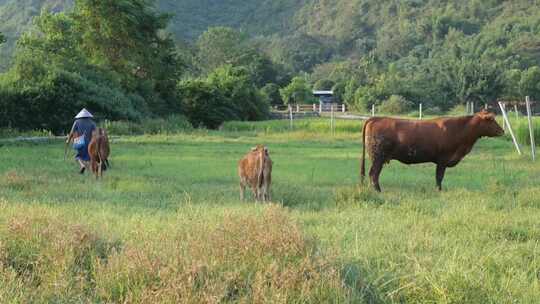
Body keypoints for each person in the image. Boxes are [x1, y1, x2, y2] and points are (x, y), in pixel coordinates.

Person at [67, 108, 96, 174]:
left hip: (80, 141)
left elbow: (72, 132)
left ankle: (82, 165)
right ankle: (93, 170)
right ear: (88, 116)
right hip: (89, 142)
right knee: (89, 157)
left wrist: (68, 140)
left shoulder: (77, 122)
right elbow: (94, 134)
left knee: (78, 156)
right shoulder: (92, 123)